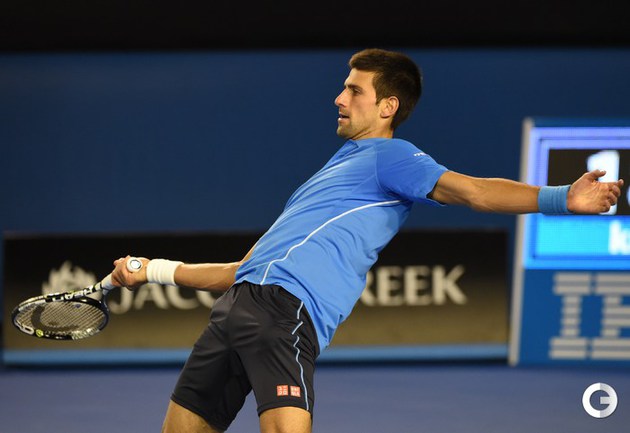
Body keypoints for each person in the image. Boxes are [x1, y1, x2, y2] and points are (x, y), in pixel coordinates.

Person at [111, 48, 623, 433]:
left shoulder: (392, 157)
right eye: (344, 88)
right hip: (234, 311)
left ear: (387, 107)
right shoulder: (325, 179)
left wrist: (561, 198)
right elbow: (238, 272)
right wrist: (152, 269)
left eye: (354, 90)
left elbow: (473, 192)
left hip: (285, 313)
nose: (339, 98)